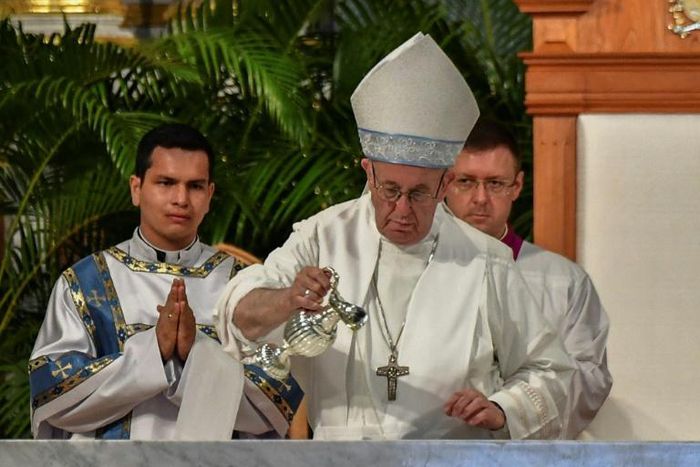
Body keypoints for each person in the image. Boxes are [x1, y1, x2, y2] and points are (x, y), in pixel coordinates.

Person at [215, 33, 575, 440]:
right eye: (389, 190)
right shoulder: (323, 236)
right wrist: (286, 299)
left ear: (444, 185)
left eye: (419, 193)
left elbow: (551, 371)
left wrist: (501, 408)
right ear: (368, 173)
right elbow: (237, 315)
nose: (402, 210)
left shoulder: (485, 259)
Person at [28, 123, 303, 440]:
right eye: (166, 183)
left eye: (195, 186)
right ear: (136, 188)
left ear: (210, 195)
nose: (181, 199)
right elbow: (50, 391)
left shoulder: (244, 286)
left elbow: (277, 400)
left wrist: (194, 354)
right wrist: (153, 352)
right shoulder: (85, 283)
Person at [445, 119, 612, 438]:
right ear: (445, 184)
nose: (480, 198)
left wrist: (510, 408)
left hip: (530, 451)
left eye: (495, 184)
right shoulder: (420, 270)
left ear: (517, 186)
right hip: (442, 444)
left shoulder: (563, 281)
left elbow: (589, 381)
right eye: (466, 181)